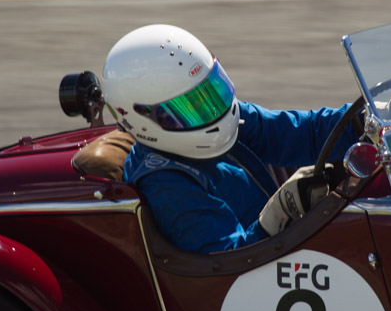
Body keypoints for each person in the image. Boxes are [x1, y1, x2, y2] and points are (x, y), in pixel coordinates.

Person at [101, 24, 359, 254]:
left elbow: (305, 133)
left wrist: (362, 117)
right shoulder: (165, 183)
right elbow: (228, 261)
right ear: (143, 120)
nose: (212, 110)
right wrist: (280, 214)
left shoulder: (224, 117)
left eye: (211, 92)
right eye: (189, 109)